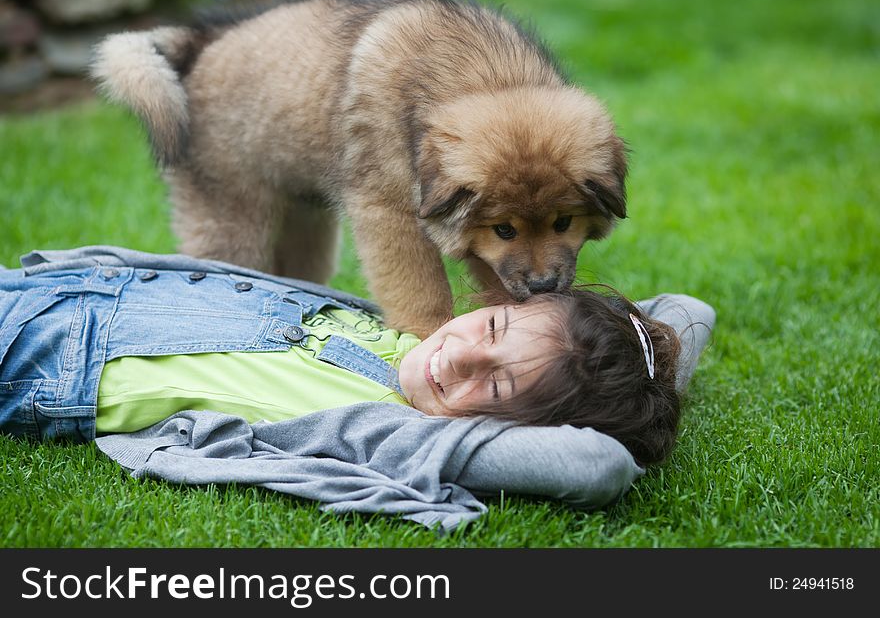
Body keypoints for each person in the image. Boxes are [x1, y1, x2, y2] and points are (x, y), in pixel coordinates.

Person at [0, 246, 713, 468]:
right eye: (491, 324)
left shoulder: (397, 430)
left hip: (42, 356)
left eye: (494, 390)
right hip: (73, 286)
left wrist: (631, 410)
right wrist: (648, 350)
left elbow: (596, 466)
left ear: (507, 431)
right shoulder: (411, 333)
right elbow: (691, 311)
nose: (458, 358)